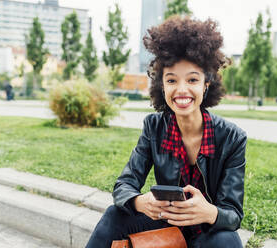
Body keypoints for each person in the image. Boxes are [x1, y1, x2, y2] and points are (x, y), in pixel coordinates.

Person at [86, 16, 247, 248]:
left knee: (227, 240)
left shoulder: (232, 138)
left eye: (192, 79)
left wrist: (209, 212)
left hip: (207, 232)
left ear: (206, 84)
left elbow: (232, 215)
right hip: (166, 224)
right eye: (172, 80)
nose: (182, 90)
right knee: (114, 215)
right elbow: (124, 185)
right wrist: (140, 202)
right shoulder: (154, 127)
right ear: (163, 85)